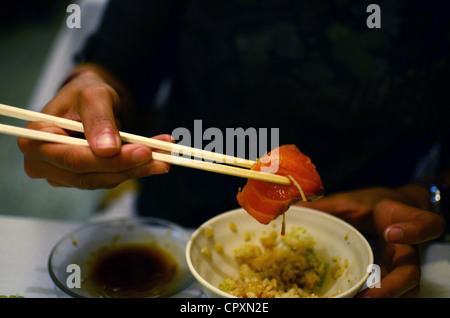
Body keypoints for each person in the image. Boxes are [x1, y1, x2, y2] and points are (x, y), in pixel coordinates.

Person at [17, 1, 448, 297]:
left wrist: (427, 197)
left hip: (379, 248)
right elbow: (116, 63)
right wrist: (88, 100)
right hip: (169, 229)